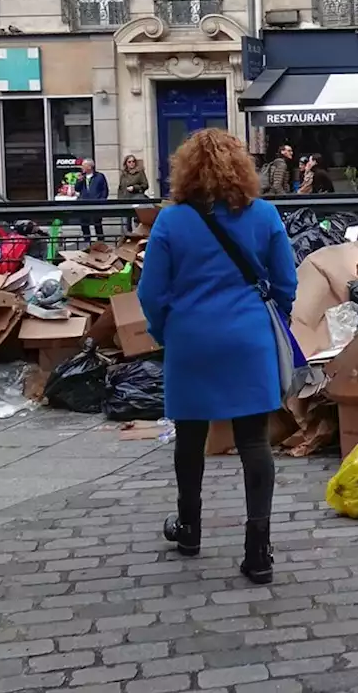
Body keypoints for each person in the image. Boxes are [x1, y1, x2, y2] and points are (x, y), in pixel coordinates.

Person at [137, 128, 297, 585]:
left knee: (190, 438)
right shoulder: (264, 215)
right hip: (248, 337)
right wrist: (270, 321)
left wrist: (164, 328)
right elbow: (286, 282)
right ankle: (258, 549)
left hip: (191, 338)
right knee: (253, 440)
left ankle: (189, 529)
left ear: (185, 171)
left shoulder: (171, 221)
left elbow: (151, 291)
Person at [74, 159, 108, 238]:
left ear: (89, 167)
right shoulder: (82, 176)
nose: (82, 167)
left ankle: (100, 242)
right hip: (84, 204)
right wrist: (79, 181)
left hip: (97, 204)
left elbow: (104, 189)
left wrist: (102, 200)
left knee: (98, 224)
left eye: (83, 165)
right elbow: (77, 189)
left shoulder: (99, 176)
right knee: (84, 224)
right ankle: (87, 241)